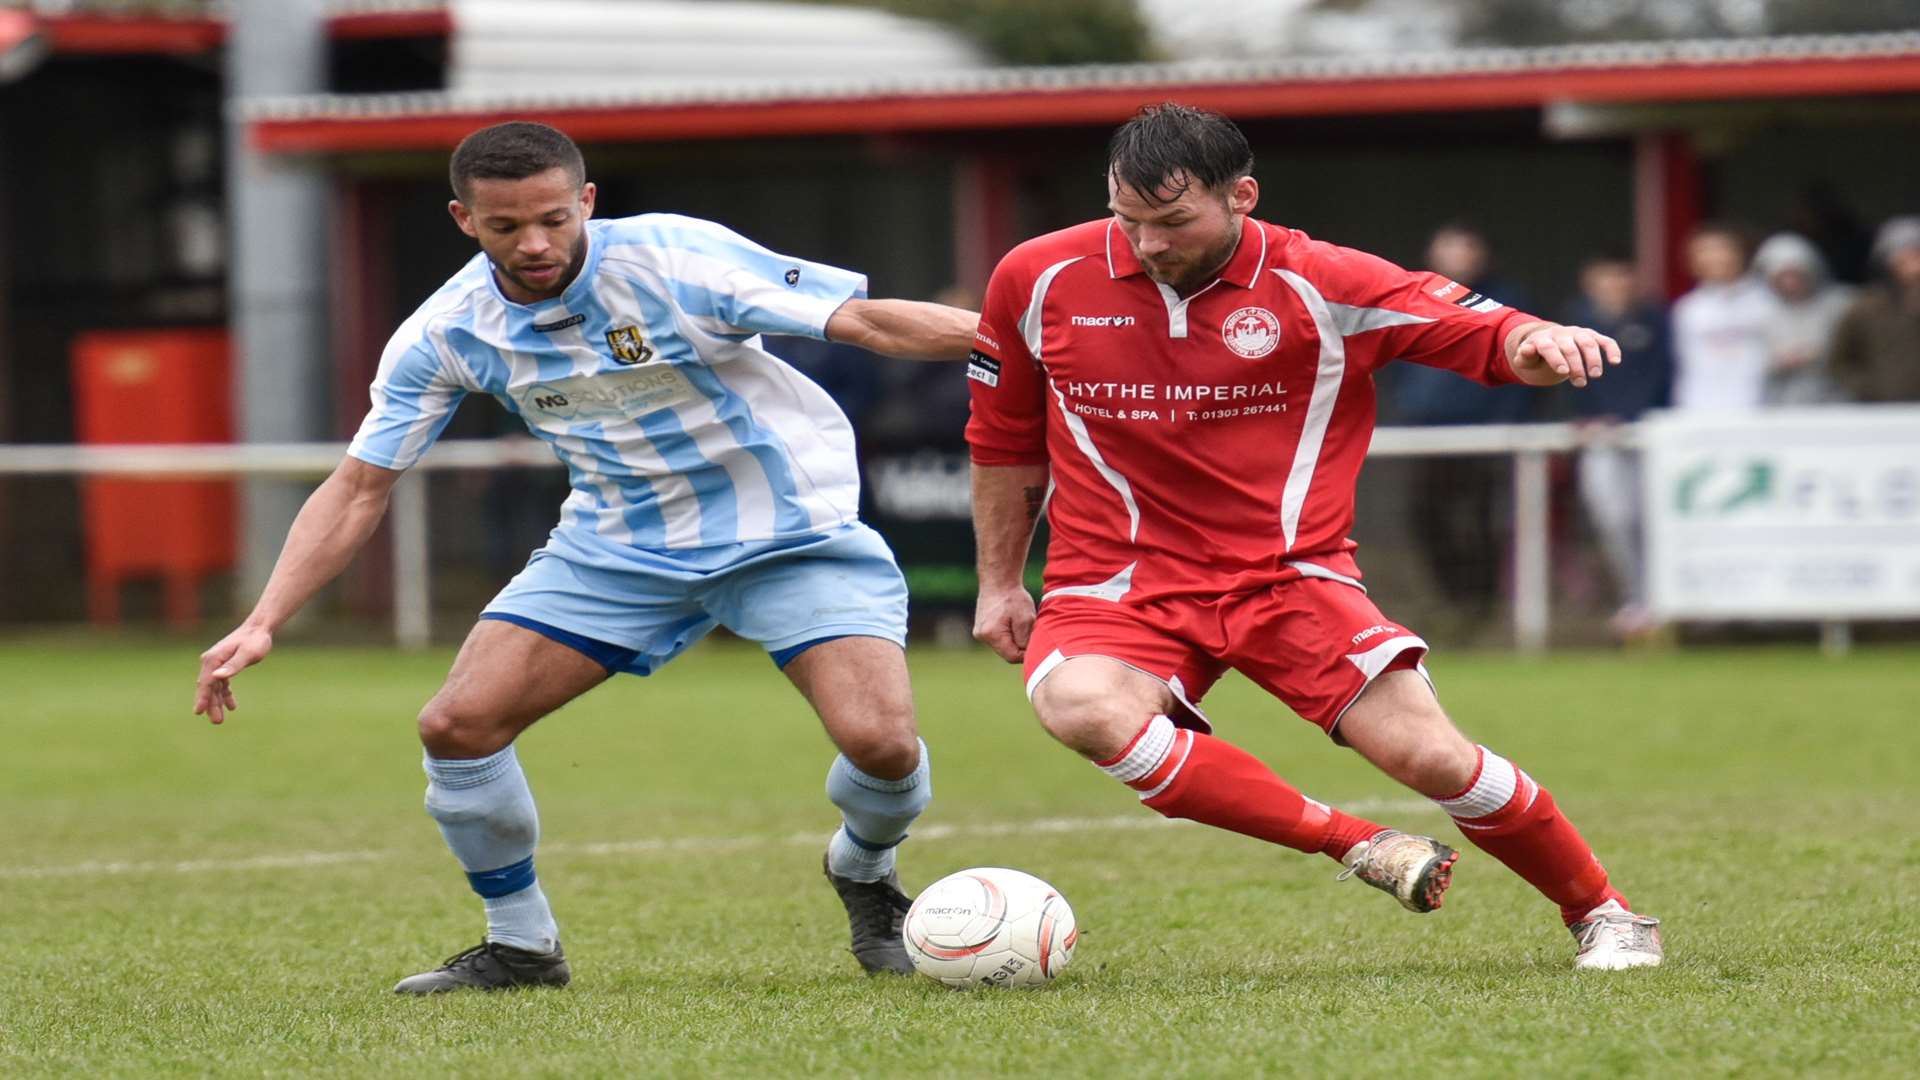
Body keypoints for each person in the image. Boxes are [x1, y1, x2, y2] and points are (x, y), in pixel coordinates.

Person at [192, 122, 977, 992]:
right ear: (464, 219)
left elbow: (865, 321)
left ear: (587, 202)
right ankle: (522, 945)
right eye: (504, 227)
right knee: (456, 727)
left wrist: (1029, 342)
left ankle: (863, 868)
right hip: (617, 547)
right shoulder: (448, 332)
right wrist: (265, 619)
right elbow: (359, 486)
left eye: (553, 219)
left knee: (882, 744)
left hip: (788, 532)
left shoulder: (677, 259)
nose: (534, 243)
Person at [965, 103, 1662, 971]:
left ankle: (1605, 912)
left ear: (1242, 197)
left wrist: (1537, 338)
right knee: (1081, 707)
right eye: (1127, 219)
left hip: (1289, 576)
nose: (1147, 244)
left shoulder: (1318, 279)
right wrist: (1000, 582)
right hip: (1114, 583)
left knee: (1433, 757)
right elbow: (1001, 441)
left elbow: (1474, 327)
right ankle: (1356, 844)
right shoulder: (1035, 277)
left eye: (1174, 221)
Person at [1389, 223, 1537, 626]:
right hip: (1427, 435)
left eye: (1464, 248)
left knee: (1480, 520)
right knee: (1426, 517)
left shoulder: (1505, 303)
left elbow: (1525, 370)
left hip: (1485, 435)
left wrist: (1507, 422)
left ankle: (1481, 608)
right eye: (1447, 248)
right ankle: (1453, 601)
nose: (1456, 257)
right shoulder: (1411, 297)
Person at [1561, 252, 1672, 639]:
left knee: (1652, 517)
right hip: (1600, 438)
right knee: (1613, 518)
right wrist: (1586, 419)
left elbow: (1666, 375)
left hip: (1650, 436)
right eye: (1605, 277)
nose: (1614, 286)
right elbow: (1564, 380)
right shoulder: (1575, 323)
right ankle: (1636, 597)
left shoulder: (1656, 321)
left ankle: (1662, 599)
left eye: (1621, 276)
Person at [1670, 222, 1776, 413]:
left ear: (1740, 253)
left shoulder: (1768, 302)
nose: (1715, 258)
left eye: (1721, 249)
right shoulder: (1687, 309)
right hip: (1698, 412)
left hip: (1759, 411)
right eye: (1704, 251)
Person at [1752, 232, 1853, 406]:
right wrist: (1776, 361)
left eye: (1796, 275)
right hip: (1781, 401)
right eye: (1782, 277)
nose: (1790, 283)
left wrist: (1821, 354)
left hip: (1834, 398)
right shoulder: (1758, 310)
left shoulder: (1842, 304)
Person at [1829, 216, 1920, 403]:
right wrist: (1869, 387)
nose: (1914, 266)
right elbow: (1839, 362)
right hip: (1882, 409)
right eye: (1906, 257)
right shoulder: (1865, 309)